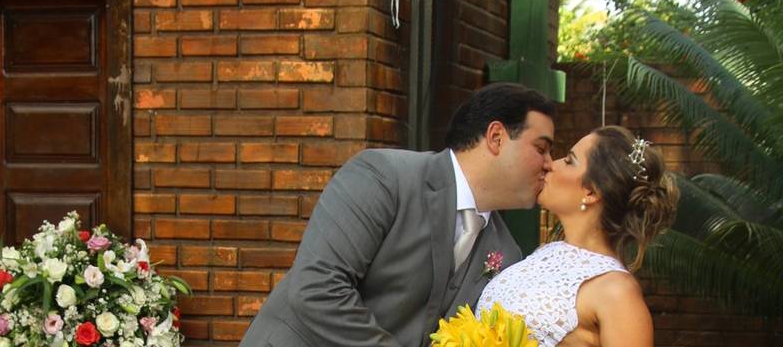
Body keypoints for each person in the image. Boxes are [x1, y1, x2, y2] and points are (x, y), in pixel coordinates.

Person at [239, 82, 557, 347]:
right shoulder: (383, 176)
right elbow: (317, 288)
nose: (549, 164)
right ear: (496, 137)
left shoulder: (506, 252)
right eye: (541, 148)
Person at [475, 125, 679, 347]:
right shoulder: (544, 253)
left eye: (570, 160)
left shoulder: (616, 292)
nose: (550, 165)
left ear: (591, 192)